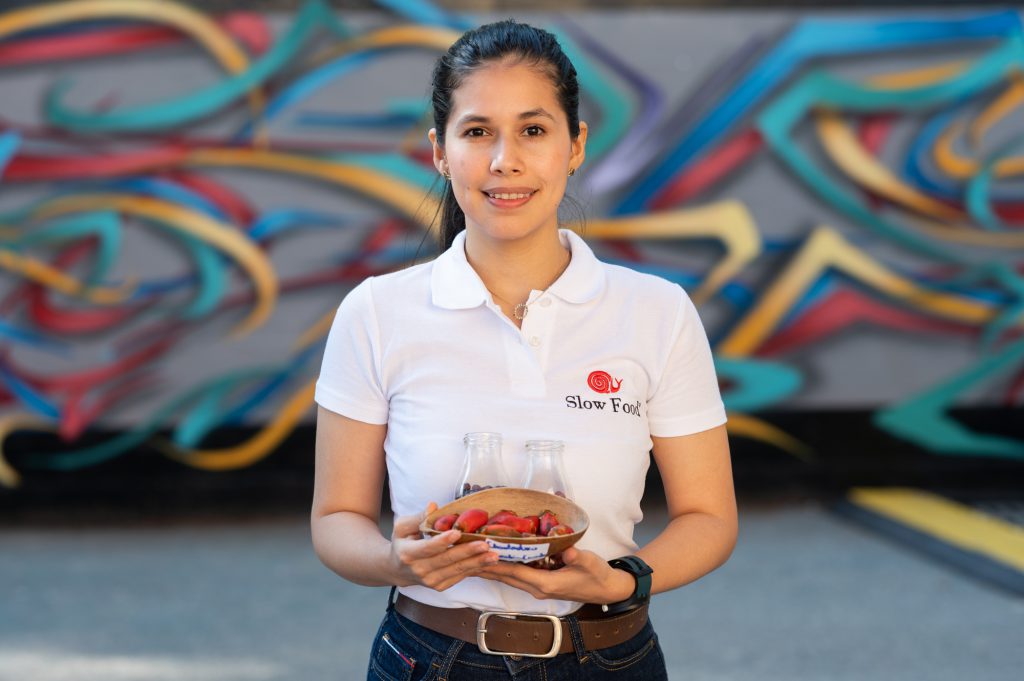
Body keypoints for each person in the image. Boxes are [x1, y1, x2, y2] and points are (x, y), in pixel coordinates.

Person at [311, 19, 736, 680]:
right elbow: (336, 519)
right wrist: (394, 562)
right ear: (439, 151)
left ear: (575, 146)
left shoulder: (656, 311)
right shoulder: (376, 311)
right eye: (477, 131)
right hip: (429, 658)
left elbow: (710, 519)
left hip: (609, 657)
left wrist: (620, 582)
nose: (504, 159)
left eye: (534, 130)